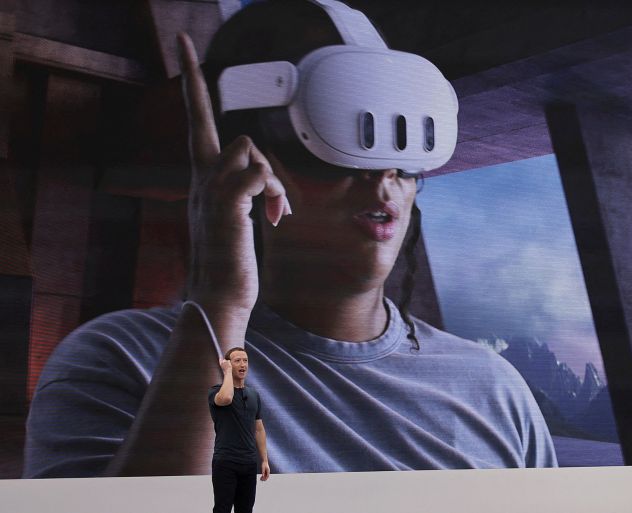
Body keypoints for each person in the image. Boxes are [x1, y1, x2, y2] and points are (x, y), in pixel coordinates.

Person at [23, 0, 557, 478]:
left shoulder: (493, 390)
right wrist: (218, 306)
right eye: (329, 140)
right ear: (248, 161)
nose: (380, 178)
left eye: (398, 153)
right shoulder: (120, 360)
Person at [209, 347, 270, 513]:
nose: (242, 364)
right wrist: (227, 372)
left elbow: (259, 429)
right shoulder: (215, 392)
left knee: (245, 509)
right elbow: (227, 398)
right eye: (237, 361)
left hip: (249, 463)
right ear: (228, 365)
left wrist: (264, 459)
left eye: (245, 360)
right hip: (225, 462)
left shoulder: (254, 395)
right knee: (222, 508)